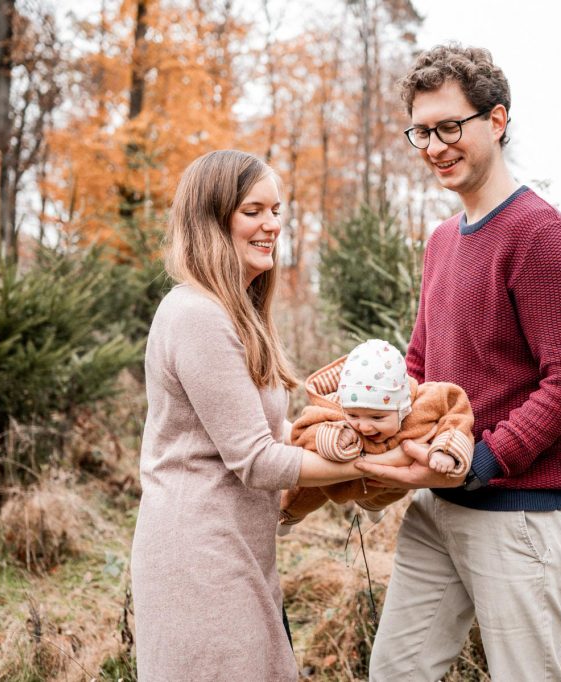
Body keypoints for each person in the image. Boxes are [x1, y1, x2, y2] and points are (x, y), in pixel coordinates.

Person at [355, 44, 561, 681]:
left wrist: (483, 461)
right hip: (437, 507)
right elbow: (421, 360)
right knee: (395, 673)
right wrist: (378, 423)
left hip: (518, 514)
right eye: (422, 131)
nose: (434, 146)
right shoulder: (442, 240)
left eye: (449, 126)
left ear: (496, 121)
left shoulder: (540, 236)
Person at [129, 150, 405, 681]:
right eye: (253, 211)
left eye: (276, 210)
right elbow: (256, 459)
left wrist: (345, 434)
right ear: (211, 219)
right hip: (200, 555)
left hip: (239, 545)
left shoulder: (239, 311)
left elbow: (274, 433)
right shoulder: (196, 315)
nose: (272, 225)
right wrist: (378, 464)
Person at [278, 338, 473, 534]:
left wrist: (445, 449)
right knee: (306, 494)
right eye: (353, 415)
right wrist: (335, 435)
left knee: (391, 490)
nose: (363, 426)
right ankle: (289, 516)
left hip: (388, 483)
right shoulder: (336, 407)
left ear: (402, 408)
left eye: (377, 417)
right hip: (337, 480)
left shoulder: (424, 405)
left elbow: (456, 412)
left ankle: (373, 506)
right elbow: (303, 432)